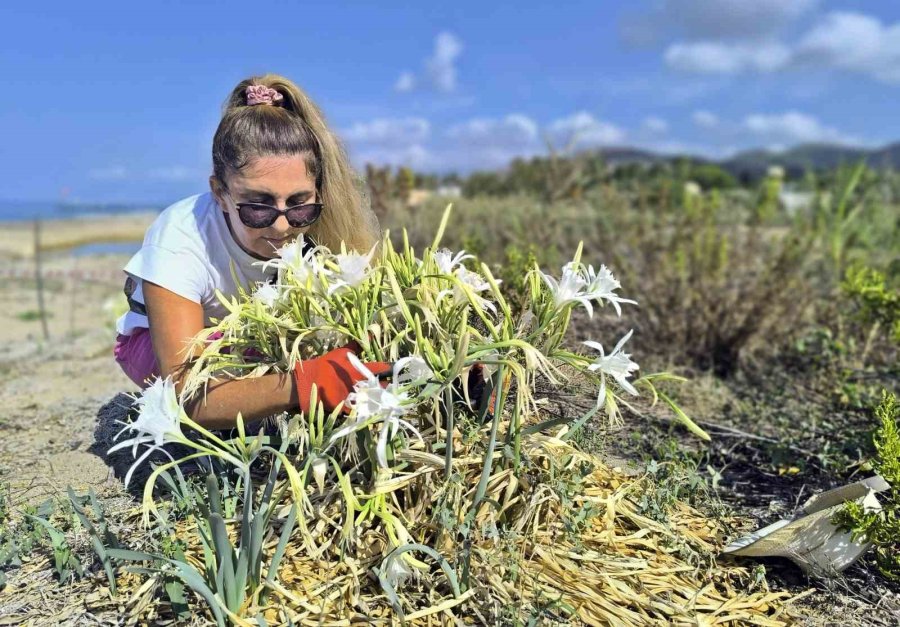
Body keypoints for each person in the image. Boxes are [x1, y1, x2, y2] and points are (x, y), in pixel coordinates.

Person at [113, 74, 390, 429]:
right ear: (220, 193)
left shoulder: (323, 226)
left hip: (252, 341)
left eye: (299, 204)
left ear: (318, 194)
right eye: (257, 206)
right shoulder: (179, 238)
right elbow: (185, 391)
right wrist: (304, 383)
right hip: (158, 348)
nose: (282, 226)